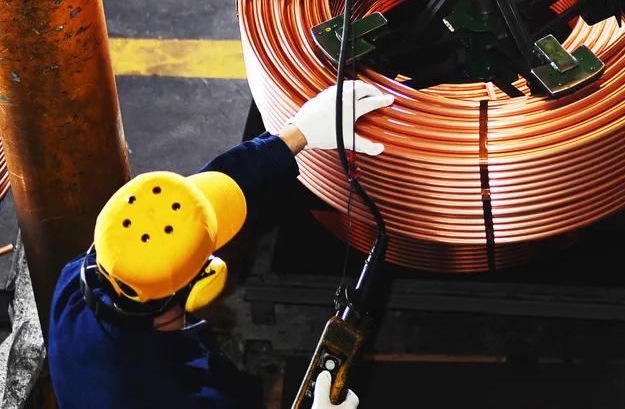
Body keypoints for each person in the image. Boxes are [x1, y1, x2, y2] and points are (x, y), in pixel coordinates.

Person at [47, 81, 393, 409]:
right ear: (200, 286)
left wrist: (298, 132)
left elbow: (200, 198)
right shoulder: (152, 394)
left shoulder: (87, 273)